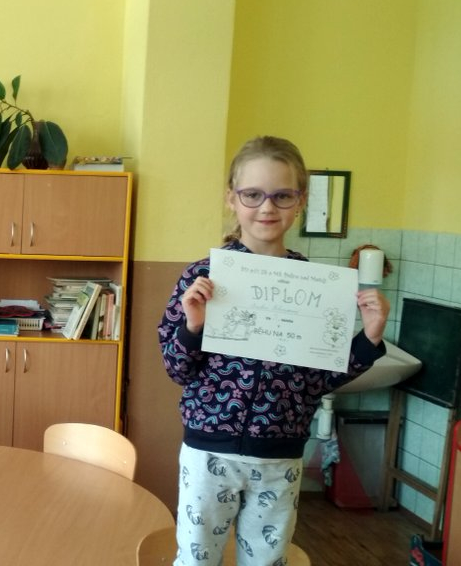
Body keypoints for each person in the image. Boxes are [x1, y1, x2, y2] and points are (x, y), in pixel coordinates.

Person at [157, 136, 390, 565]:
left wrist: (369, 338)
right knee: (196, 560)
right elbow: (177, 369)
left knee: (266, 561)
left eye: (282, 195)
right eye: (253, 194)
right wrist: (193, 327)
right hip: (210, 449)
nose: (267, 207)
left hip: (279, 455)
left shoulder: (315, 285)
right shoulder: (202, 277)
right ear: (232, 198)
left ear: (300, 201)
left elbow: (320, 378)